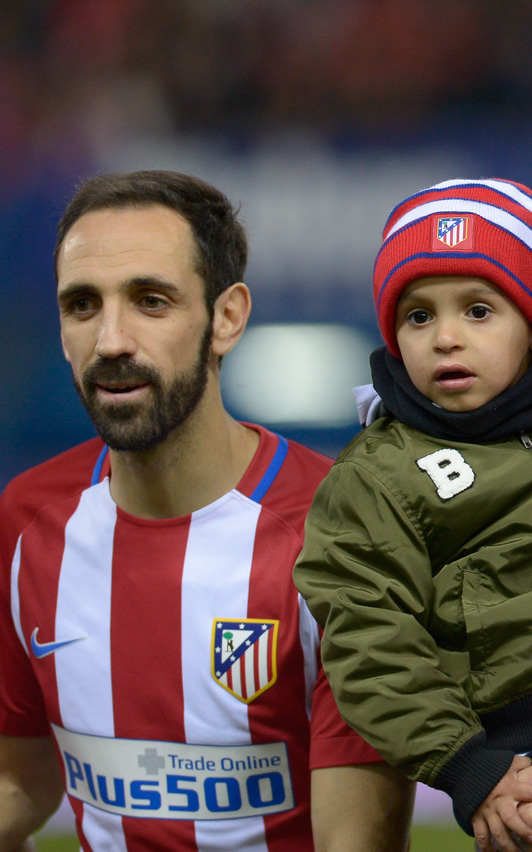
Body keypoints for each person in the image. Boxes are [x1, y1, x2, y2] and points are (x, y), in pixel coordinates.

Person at [0, 170, 415, 852]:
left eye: (150, 301)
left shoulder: (343, 531)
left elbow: (358, 839)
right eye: (82, 305)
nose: (111, 340)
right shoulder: (28, 520)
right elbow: (19, 779)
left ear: (227, 318)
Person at [292, 179, 532, 852]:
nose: (445, 338)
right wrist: (470, 768)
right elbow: (369, 643)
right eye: (418, 317)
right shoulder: (376, 477)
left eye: (478, 311)